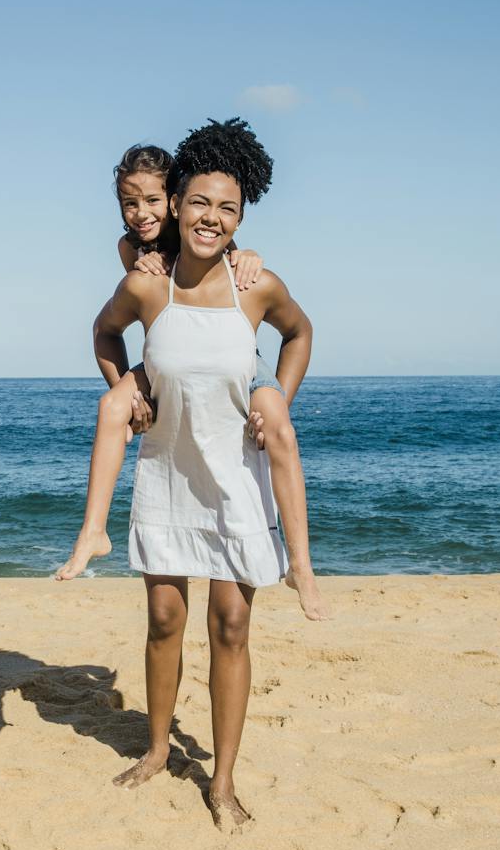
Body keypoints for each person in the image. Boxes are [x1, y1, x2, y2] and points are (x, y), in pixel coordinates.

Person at [90, 118, 310, 826]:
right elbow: (103, 331)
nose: (211, 218)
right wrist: (131, 384)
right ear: (177, 203)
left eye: (229, 209)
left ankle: (222, 781)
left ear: (239, 218)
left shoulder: (256, 283)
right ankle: (158, 750)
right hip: (168, 472)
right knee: (162, 617)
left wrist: (275, 391)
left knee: (233, 624)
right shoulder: (148, 283)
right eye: (199, 203)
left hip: (237, 478)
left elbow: (300, 334)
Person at [55, 142, 329, 623]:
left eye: (153, 200)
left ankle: (301, 565)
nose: (142, 213)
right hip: (170, 358)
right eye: (130, 203)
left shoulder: (224, 249)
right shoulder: (131, 250)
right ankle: (93, 531)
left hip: (237, 356)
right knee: (110, 408)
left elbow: (277, 311)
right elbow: (133, 320)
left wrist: (278, 398)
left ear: (173, 198)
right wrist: (135, 394)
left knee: (282, 430)